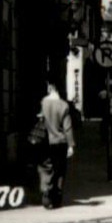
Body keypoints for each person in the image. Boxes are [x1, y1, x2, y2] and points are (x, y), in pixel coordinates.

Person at [37, 80, 76, 210]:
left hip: (45, 142)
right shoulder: (64, 105)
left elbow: (39, 119)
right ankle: (57, 197)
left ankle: (46, 193)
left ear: (49, 88)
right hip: (61, 142)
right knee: (60, 170)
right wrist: (71, 145)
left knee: (46, 167)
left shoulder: (43, 102)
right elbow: (68, 127)